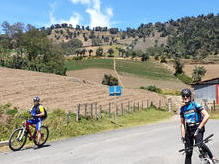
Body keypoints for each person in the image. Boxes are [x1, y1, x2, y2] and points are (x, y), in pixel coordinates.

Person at [180, 88, 216, 164]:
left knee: (199, 144)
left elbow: (207, 116)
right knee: (188, 152)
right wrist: (183, 136)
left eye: (187, 95)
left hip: (198, 127)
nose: (185, 97)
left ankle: (212, 157)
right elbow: (182, 124)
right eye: (183, 96)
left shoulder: (195, 104)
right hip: (188, 130)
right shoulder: (182, 109)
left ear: (190, 96)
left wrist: (199, 128)